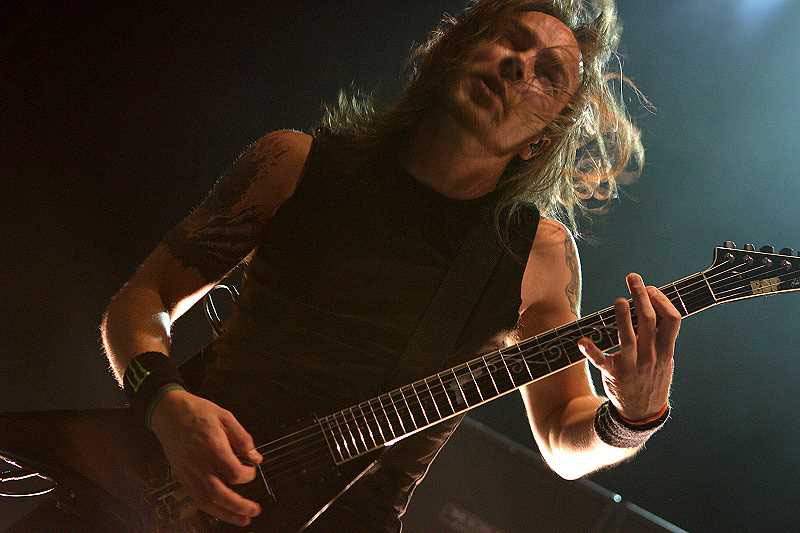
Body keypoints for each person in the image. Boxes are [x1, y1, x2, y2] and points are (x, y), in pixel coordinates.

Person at [100, 0, 681, 530]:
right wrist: (163, 403)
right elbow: (144, 297)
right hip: (161, 490)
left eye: (547, 74)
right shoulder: (293, 163)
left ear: (542, 141)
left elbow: (561, 435)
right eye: (510, 39)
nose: (518, 66)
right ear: (454, 49)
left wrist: (631, 417)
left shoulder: (537, 255)